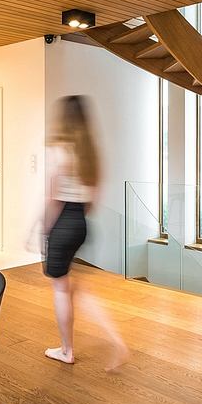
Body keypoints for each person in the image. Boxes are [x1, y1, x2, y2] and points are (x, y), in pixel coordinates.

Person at [43, 96, 128, 370]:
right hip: (81, 222)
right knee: (75, 288)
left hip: (63, 222)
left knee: (60, 289)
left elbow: (53, 198)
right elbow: (93, 197)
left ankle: (67, 349)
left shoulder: (59, 149)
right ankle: (116, 341)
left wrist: (44, 230)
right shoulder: (90, 153)